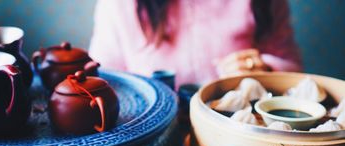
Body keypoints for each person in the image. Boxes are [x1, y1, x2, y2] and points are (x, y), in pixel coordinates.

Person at [89, 0, 302, 89]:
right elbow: (103, 81)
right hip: (153, 144)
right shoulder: (120, 4)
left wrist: (264, 69)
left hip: (237, 137)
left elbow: (295, 71)